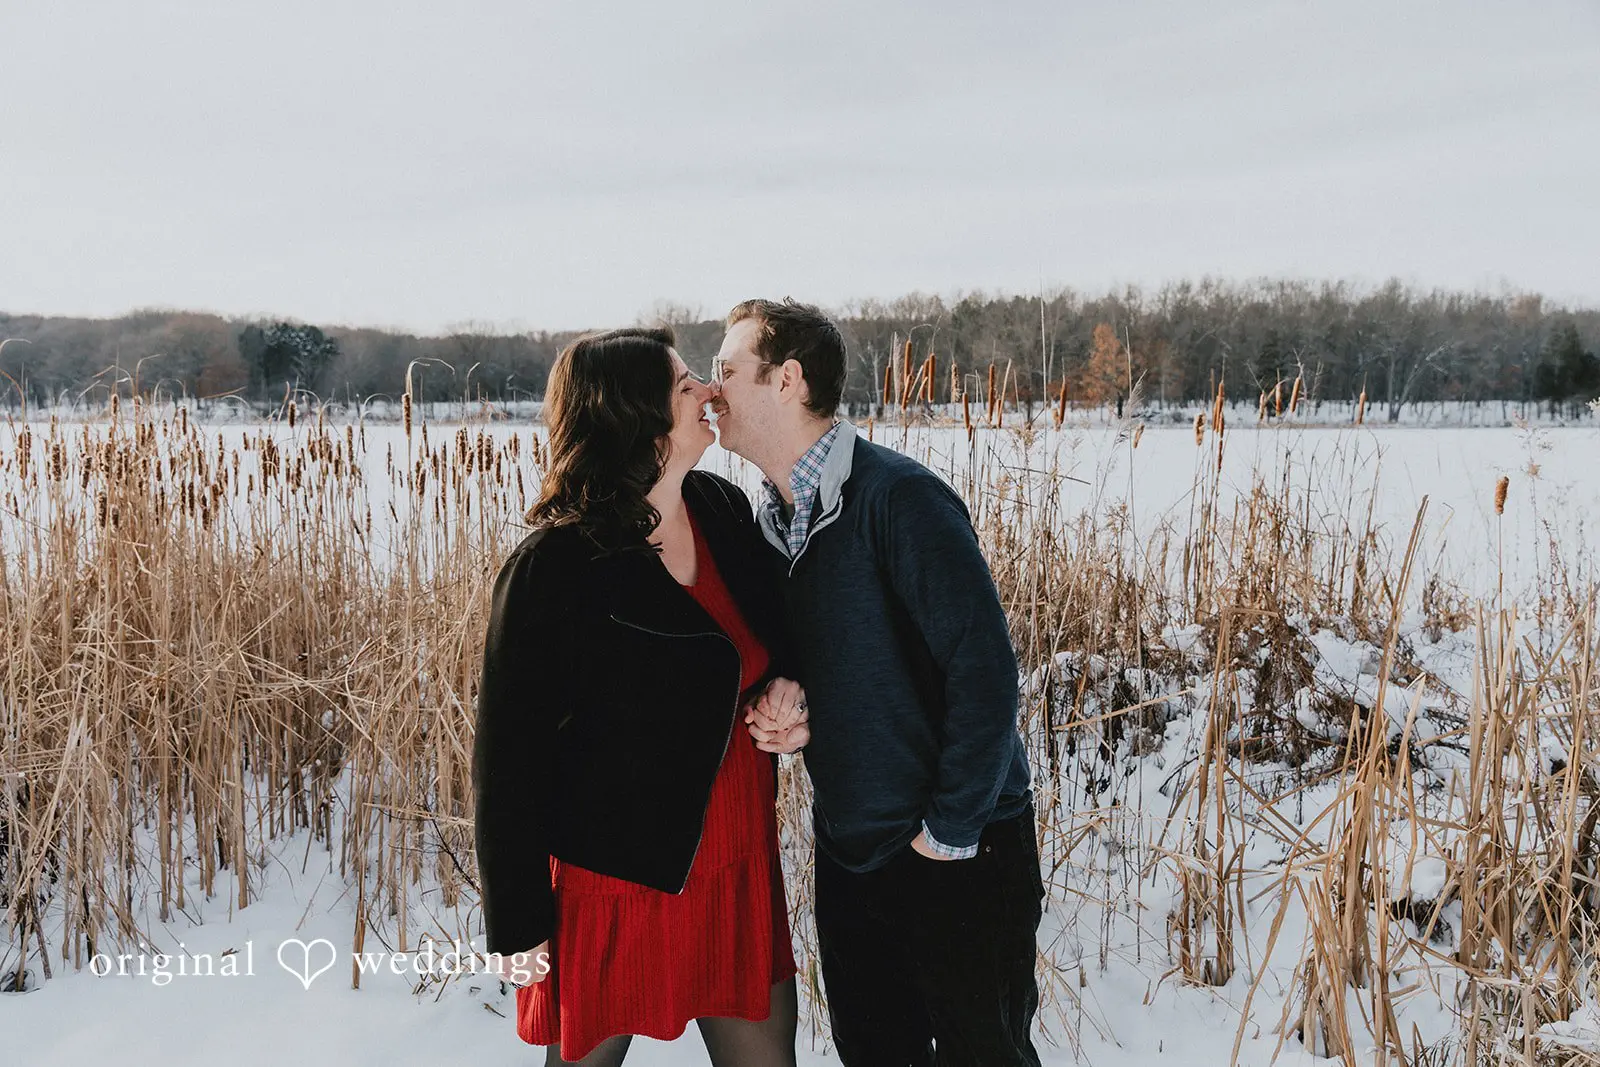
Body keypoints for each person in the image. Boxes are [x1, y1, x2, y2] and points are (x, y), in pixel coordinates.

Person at [713, 299, 1045, 1067]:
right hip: (853, 850)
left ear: (787, 379)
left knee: (983, 1054)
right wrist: (796, 706)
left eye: (729, 368)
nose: (713, 386)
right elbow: (841, 661)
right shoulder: (771, 524)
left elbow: (986, 669)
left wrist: (950, 834)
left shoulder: (899, 499)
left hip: (958, 846)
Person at [472, 326, 809, 1067]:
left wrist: (790, 693)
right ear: (635, 417)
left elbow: (774, 641)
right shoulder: (555, 565)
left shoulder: (720, 509)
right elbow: (507, 757)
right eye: (685, 383)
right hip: (612, 884)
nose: (707, 391)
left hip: (734, 862)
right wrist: (518, 923)